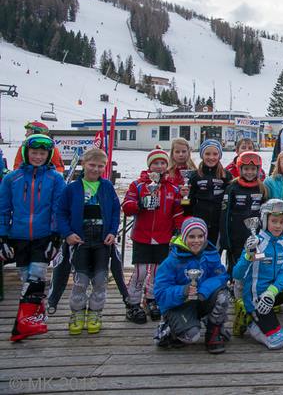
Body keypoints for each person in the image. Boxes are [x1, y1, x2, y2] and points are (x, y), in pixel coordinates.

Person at [0, 134, 66, 341]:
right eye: (34, 152)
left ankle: (20, 327)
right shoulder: (12, 178)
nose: (38, 156)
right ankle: (34, 317)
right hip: (18, 236)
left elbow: (58, 209)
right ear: (26, 153)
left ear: (49, 155)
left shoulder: (55, 178)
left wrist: (56, 237)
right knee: (25, 279)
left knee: (35, 279)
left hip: (43, 236)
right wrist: (2, 237)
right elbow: (3, 209)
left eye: (42, 153)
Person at [232, 199, 283, 349]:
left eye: (282, 222)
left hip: (273, 293)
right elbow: (237, 274)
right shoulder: (255, 241)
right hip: (256, 297)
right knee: (277, 342)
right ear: (265, 221)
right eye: (274, 221)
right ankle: (247, 316)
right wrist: (247, 255)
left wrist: (272, 292)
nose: (278, 225)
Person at [55, 148, 120, 335]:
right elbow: (61, 213)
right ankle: (76, 312)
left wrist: (113, 232)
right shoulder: (72, 188)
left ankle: (95, 312)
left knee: (100, 279)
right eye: (92, 165)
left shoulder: (107, 187)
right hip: (80, 240)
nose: (96, 169)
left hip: (102, 240)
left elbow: (116, 211)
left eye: (101, 166)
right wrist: (67, 233)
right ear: (83, 164)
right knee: (80, 280)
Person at [122, 146, 184, 324]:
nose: (159, 166)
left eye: (162, 163)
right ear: (149, 165)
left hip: (163, 237)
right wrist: (140, 203)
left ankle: (151, 299)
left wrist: (180, 229)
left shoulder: (172, 188)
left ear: (167, 165)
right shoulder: (139, 185)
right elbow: (127, 205)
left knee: (157, 272)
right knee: (140, 272)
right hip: (142, 235)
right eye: (155, 163)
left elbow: (177, 211)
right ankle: (132, 303)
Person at [153, 218, 230, 353]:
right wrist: (183, 291)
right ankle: (168, 327)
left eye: (200, 236)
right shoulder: (171, 261)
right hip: (179, 305)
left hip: (201, 298)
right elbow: (160, 293)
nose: (196, 241)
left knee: (223, 295)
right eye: (191, 236)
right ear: (184, 237)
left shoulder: (211, 253)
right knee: (191, 337)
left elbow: (221, 276)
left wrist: (203, 291)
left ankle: (213, 331)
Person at [220, 151, 269, 272]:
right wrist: (225, 239)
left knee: (254, 266)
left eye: (253, 169)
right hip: (236, 236)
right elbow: (224, 215)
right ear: (240, 169)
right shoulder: (232, 187)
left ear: (258, 170)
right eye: (246, 169)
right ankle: (233, 286)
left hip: (255, 236)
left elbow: (265, 215)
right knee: (236, 266)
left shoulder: (262, 188)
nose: (250, 172)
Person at [184, 139, 233, 246]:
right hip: (199, 224)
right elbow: (189, 202)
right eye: (207, 154)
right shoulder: (195, 176)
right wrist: (184, 199)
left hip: (218, 224)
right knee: (198, 255)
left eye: (215, 154)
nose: (211, 157)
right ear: (202, 155)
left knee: (214, 255)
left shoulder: (226, 175)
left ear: (220, 155)